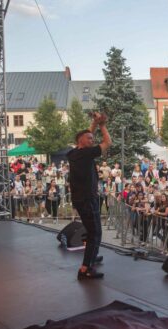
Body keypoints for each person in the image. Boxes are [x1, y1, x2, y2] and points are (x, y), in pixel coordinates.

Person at [67, 112, 112, 280]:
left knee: (92, 230)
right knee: (95, 232)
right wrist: (101, 124)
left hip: (80, 199)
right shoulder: (86, 154)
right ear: (81, 141)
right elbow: (108, 142)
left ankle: (92, 256)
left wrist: (93, 123)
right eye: (89, 139)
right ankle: (85, 269)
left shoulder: (73, 153)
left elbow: (86, 133)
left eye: (93, 138)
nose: (92, 140)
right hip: (87, 199)